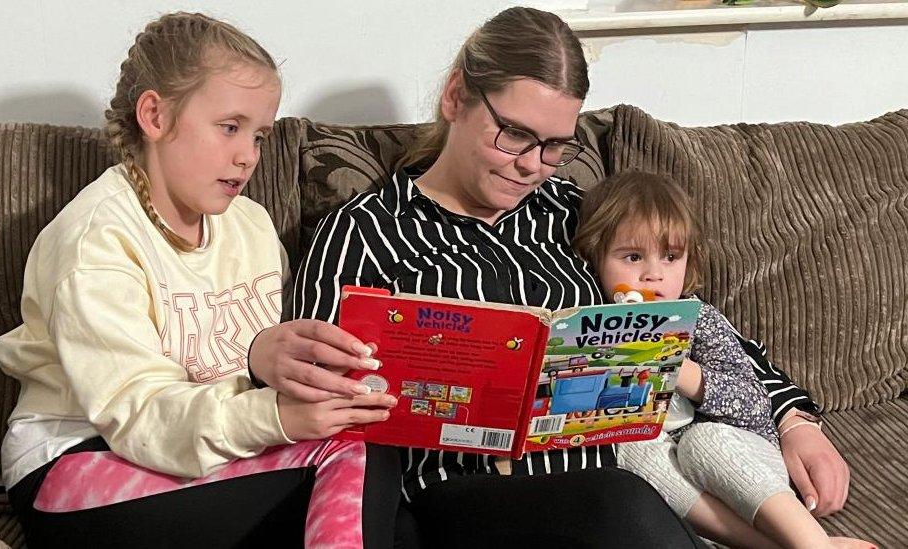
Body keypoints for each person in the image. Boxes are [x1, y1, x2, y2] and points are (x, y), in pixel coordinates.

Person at [274, 6, 851, 546]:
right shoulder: (362, 231)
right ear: (456, 97)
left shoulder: (575, 213)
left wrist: (796, 421)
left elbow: (691, 322)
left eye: (554, 146)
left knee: (625, 494)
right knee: (617, 501)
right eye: (516, 135)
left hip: (616, 471)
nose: (531, 165)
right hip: (461, 495)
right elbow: (318, 401)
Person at [0, 12, 400, 549]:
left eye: (259, 135)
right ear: (156, 116)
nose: (247, 156)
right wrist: (276, 414)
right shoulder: (95, 240)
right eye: (229, 127)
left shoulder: (250, 226)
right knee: (351, 458)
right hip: (78, 464)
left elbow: (251, 374)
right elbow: (139, 417)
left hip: (205, 451)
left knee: (369, 453)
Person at [575, 171, 874, 549]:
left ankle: (811, 543)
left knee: (702, 441)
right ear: (595, 258)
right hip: (684, 492)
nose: (654, 275)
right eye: (633, 257)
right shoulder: (590, 330)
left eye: (671, 257)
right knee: (628, 450)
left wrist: (678, 371)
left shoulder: (699, 319)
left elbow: (753, 405)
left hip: (740, 460)